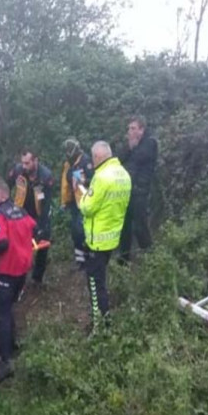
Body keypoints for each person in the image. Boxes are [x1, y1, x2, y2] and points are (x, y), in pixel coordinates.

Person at [74, 141, 131, 333]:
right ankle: (103, 323)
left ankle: (101, 328)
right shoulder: (123, 173)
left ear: (98, 157)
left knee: (96, 287)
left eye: (93, 157)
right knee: (100, 282)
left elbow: (88, 207)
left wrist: (81, 195)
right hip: (112, 238)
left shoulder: (101, 177)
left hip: (97, 241)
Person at [0, 180, 37, 383]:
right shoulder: (20, 210)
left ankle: (6, 360)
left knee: (2, 312)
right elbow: (33, 227)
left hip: (8, 268)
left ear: (3, 196)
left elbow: (2, 242)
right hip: (23, 268)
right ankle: (12, 342)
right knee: (9, 307)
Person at [8, 148, 54, 284]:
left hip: (40, 212)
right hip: (22, 212)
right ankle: (18, 274)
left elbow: (47, 203)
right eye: (22, 163)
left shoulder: (46, 176)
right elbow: (7, 185)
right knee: (19, 243)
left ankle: (37, 278)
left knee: (43, 243)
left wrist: (42, 225)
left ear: (35, 161)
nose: (24, 166)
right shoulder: (17, 171)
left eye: (27, 163)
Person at [118, 115, 157, 263]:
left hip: (141, 191)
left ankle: (151, 258)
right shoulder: (131, 144)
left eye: (133, 128)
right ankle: (123, 259)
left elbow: (136, 162)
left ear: (142, 130)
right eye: (129, 128)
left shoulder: (150, 143)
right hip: (127, 191)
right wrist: (129, 147)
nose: (130, 131)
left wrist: (133, 147)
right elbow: (118, 160)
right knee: (125, 225)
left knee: (140, 226)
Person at [60, 138, 94, 270]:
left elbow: (94, 180)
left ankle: (89, 257)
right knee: (75, 231)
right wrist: (64, 201)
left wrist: (83, 180)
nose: (68, 154)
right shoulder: (69, 163)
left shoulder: (86, 161)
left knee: (83, 230)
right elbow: (65, 182)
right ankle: (80, 260)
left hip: (86, 202)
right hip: (74, 202)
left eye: (70, 151)